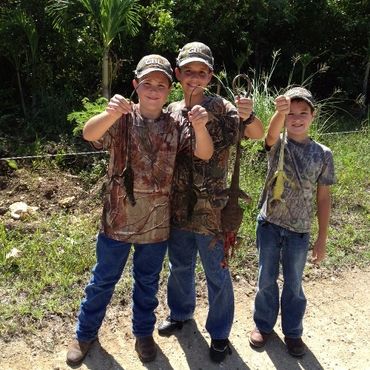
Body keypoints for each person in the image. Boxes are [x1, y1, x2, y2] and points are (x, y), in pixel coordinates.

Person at [66, 54, 214, 366]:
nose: (154, 89)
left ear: (169, 90)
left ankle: (143, 333)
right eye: (147, 83)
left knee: (147, 283)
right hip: (116, 222)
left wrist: (200, 126)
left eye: (161, 84)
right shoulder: (121, 117)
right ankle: (85, 332)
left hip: (157, 225)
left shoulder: (177, 125)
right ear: (136, 85)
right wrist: (108, 113)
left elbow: (204, 153)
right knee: (103, 280)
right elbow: (89, 134)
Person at [158, 41, 264, 363]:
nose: (194, 78)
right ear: (178, 74)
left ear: (210, 76)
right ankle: (180, 314)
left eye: (201, 72)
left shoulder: (222, 108)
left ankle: (219, 334)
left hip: (213, 210)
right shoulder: (171, 111)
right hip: (178, 208)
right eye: (188, 71)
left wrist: (249, 113)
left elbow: (257, 134)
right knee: (179, 267)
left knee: (217, 273)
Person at [249, 87, 336, 357]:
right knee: (266, 278)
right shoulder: (279, 145)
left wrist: (322, 238)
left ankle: (293, 331)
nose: (296, 119)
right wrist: (279, 111)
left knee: (294, 283)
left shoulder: (323, 154)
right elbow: (271, 134)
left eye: (303, 113)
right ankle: (263, 325)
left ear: (313, 116)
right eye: (291, 114)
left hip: (300, 231)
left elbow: (323, 199)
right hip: (270, 225)